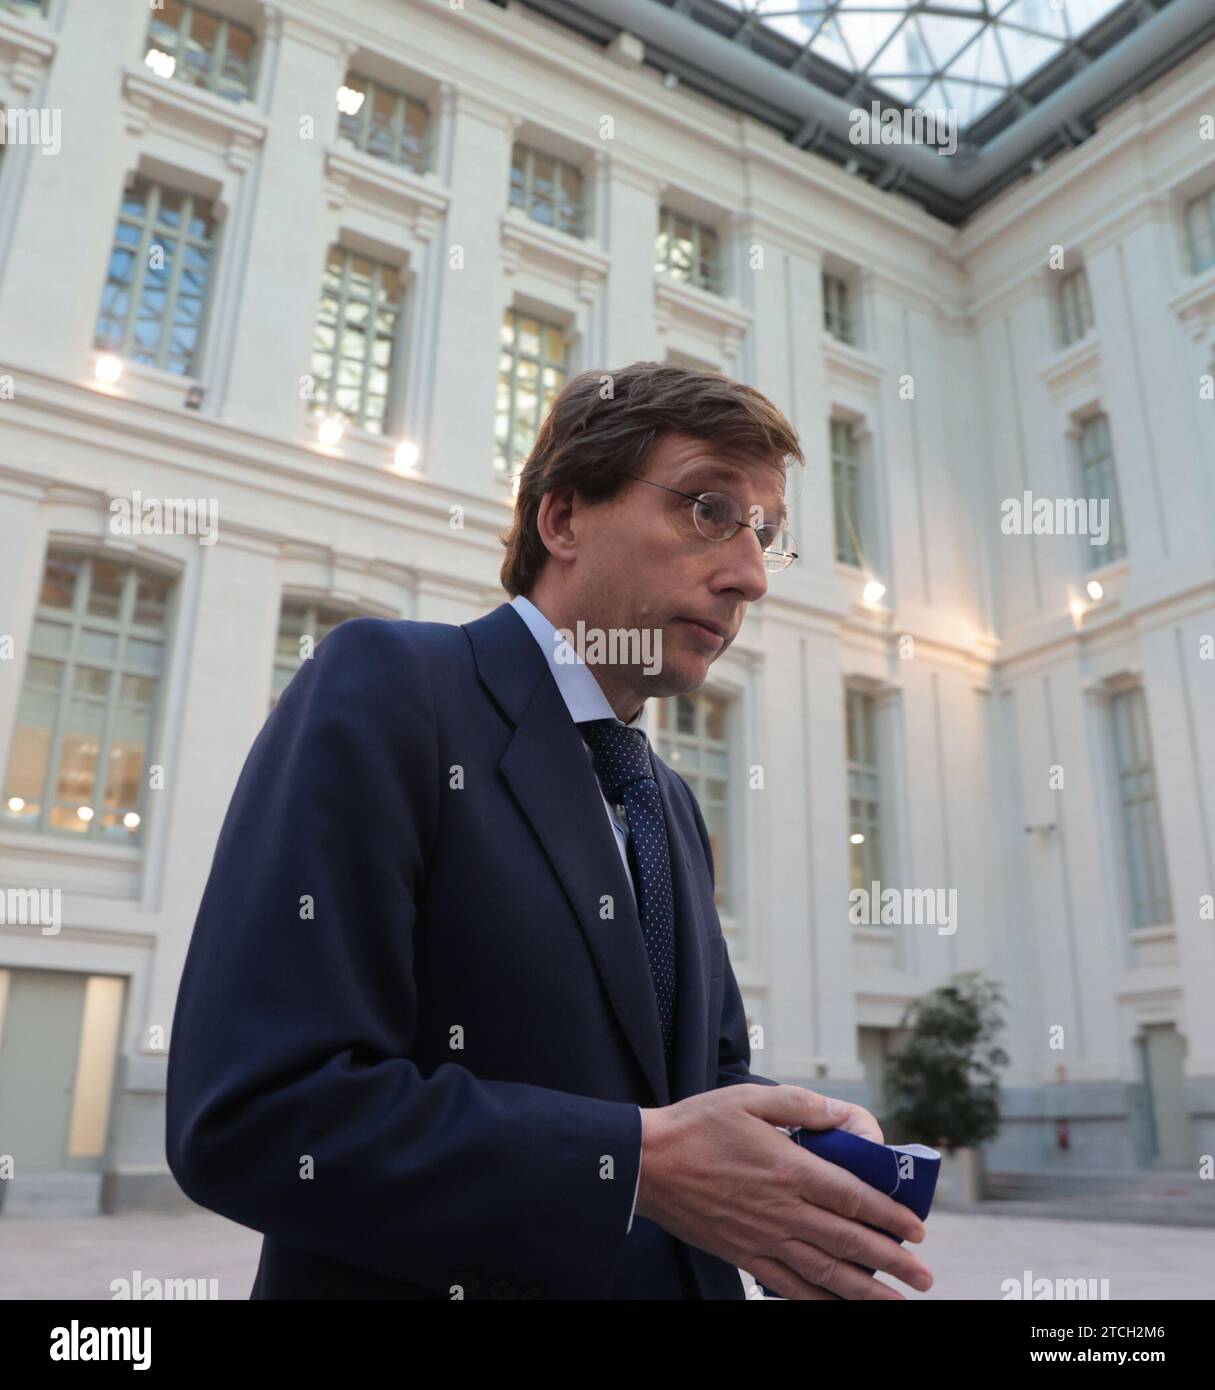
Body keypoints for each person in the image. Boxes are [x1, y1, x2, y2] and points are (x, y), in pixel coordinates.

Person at [166, 361, 934, 1300]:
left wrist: (798, 1156)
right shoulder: (391, 686)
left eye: (766, 536)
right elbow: (255, 1117)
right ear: (562, 518)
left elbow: (691, 1086)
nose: (749, 576)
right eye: (707, 510)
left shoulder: (667, 800)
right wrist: (638, 1164)